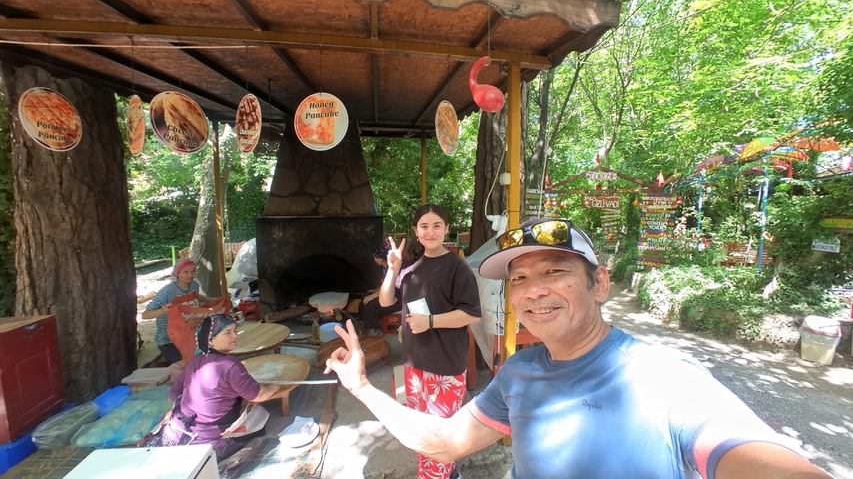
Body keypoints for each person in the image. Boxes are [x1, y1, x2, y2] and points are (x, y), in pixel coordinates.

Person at [325, 217, 831, 479]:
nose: (532, 290)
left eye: (554, 272)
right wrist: (363, 386)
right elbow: (443, 442)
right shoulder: (518, 375)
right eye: (519, 278)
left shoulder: (664, 378)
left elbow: (757, 458)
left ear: (600, 284)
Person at [377, 204, 481, 479]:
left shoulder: (458, 267)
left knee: (437, 436)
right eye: (424, 226)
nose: (431, 231)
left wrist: (431, 321)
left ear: (446, 229)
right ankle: (448, 474)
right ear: (416, 231)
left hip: (445, 365)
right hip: (414, 364)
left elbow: (471, 314)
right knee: (423, 432)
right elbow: (385, 301)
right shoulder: (411, 269)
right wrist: (392, 268)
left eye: (437, 225)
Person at [141, 314, 279, 467]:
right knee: (260, 419)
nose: (234, 336)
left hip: (172, 436)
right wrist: (275, 385)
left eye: (235, 330)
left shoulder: (195, 361)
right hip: (202, 446)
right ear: (210, 340)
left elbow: (173, 395)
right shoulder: (230, 365)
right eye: (227, 332)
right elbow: (259, 394)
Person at [142, 259, 230, 365]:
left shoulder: (194, 285)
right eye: (185, 272)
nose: (190, 275)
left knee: (201, 361)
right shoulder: (167, 291)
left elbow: (195, 296)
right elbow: (145, 315)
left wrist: (214, 300)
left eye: (193, 271)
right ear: (177, 274)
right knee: (185, 367)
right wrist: (162, 311)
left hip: (190, 336)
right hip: (169, 341)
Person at [360, 242, 400, 337]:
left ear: (380, 257)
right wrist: (373, 292)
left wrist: (373, 296)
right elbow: (384, 285)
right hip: (391, 296)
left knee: (371, 304)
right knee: (365, 295)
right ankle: (365, 322)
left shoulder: (393, 269)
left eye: (375, 257)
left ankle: (374, 331)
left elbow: (389, 288)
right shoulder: (387, 268)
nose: (374, 260)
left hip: (397, 300)